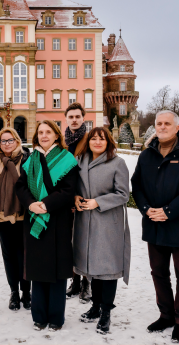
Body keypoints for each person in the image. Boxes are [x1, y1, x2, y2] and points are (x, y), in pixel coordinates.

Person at [131, 110, 179, 343]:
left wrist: (168, 211)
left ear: (177, 128)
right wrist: (146, 209)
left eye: (167, 124)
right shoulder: (147, 155)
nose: (162, 127)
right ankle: (166, 314)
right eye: (159, 123)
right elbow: (137, 185)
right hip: (153, 224)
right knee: (158, 273)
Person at [14, 120, 79, 332]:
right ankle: (39, 316)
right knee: (37, 270)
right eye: (40, 132)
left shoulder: (66, 158)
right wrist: (31, 204)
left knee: (58, 272)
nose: (43, 135)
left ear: (56, 135)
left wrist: (46, 204)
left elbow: (69, 190)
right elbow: (20, 186)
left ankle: (56, 318)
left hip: (57, 220)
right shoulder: (31, 159)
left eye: (48, 132)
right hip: (34, 219)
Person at [72, 127, 131, 335]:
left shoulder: (117, 163)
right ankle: (95, 307)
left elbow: (123, 194)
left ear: (108, 142)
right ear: (88, 141)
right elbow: (74, 188)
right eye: (93, 138)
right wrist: (76, 198)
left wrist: (98, 202)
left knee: (107, 269)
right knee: (92, 267)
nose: (97, 142)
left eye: (102, 139)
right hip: (84, 223)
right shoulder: (79, 162)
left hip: (107, 223)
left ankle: (106, 312)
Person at [0, 127, 32, 311]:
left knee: (24, 256)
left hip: (23, 215)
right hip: (2, 216)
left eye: (10, 140)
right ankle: (14, 292)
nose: (7, 144)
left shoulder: (28, 158)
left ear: (17, 140)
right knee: (9, 257)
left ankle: (26, 293)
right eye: (3, 140)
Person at [62, 102, 91, 303]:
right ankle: (75, 281)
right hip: (67, 199)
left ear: (83, 118)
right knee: (70, 243)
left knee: (85, 242)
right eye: (71, 117)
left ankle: (87, 283)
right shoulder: (63, 141)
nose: (74, 120)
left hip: (85, 198)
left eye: (77, 117)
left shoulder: (90, 140)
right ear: (67, 119)